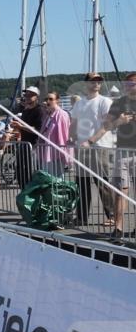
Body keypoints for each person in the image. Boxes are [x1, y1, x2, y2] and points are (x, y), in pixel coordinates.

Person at [84, 73, 136, 244]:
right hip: (123, 152)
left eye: (133, 84)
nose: (129, 86)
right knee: (121, 191)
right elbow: (107, 125)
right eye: (127, 84)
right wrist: (91, 140)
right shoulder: (119, 103)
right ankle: (118, 228)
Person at [71, 73, 116, 227]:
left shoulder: (105, 101)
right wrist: (71, 138)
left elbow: (107, 125)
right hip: (82, 148)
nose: (96, 83)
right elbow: (74, 122)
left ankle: (112, 216)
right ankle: (82, 216)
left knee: (102, 183)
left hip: (100, 146)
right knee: (81, 183)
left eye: (98, 81)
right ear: (86, 84)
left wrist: (91, 141)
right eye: (92, 81)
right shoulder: (79, 103)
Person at [8, 86, 43, 190]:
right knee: (20, 170)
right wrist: (16, 130)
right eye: (26, 94)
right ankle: (24, 192)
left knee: (30, 171)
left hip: (34, 145)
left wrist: (20, 126)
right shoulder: (25, 110)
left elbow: (37, 129)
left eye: (30, 95)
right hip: (24, 144)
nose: (27, 97)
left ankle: (31, 193)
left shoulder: (39, 110)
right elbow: (23, 127)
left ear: (36, 97)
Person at [38, 92, 72, 177]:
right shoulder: (47, 115)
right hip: (46, 152)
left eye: (51, 99)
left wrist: (64, 152)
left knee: (57, 178)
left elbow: (64, 134)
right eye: (46, 99)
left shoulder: (62, 114)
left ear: (57, 101)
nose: (48, 101)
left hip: (56, 153)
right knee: (48, 179)